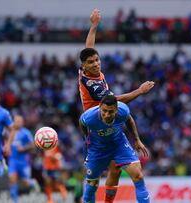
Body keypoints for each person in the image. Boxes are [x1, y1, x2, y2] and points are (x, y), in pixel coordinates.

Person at [78, 8, 155, 202]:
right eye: (91, 62)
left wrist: (94, 26)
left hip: (111, 124)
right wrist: (139, 91)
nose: (96, 64)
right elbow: (114, 101)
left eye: (97, 60)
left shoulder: (87, 69)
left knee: (123, 172)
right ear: (84, 66)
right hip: (98, 120)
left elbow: (89, 48)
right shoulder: (92, 85)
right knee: (93, 182)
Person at [79, 95, 150, 203]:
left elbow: (129, 119)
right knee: (92, 184)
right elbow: (82, 124)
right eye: (104, 111)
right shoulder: (89, 117)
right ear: (100, 107)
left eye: (110, 112)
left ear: (116, 110)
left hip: (119, 145)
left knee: (138, 176)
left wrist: (137, 139)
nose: (107, 115)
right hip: (97, 149)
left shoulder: (123, 110)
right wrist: (87, 138)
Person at [9, 115, 39, 203]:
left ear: (22, 123)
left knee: (25, 183)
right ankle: (15, 201)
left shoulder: (26, 133)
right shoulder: (10, 132)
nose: (18, 123)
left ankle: (33, 183)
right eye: (16, 121)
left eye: (20, 121)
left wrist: (24, 148)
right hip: (13, 161)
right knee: (12, 180)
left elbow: (33, 146)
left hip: (23, 162)